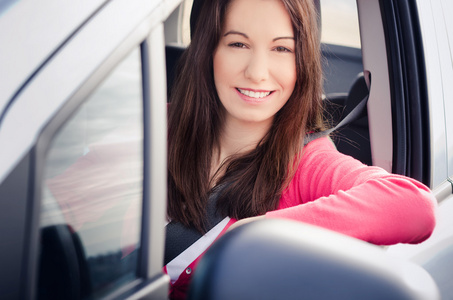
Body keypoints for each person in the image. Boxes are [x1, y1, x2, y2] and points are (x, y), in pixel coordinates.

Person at [165, 0, 437, 298]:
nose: (257, 72)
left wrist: (254, 235)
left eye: (282, 49)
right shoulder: (154, 126)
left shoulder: (306, 162)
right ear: (208, 50)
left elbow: (414, 205)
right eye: (238, 44)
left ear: (302, 62)